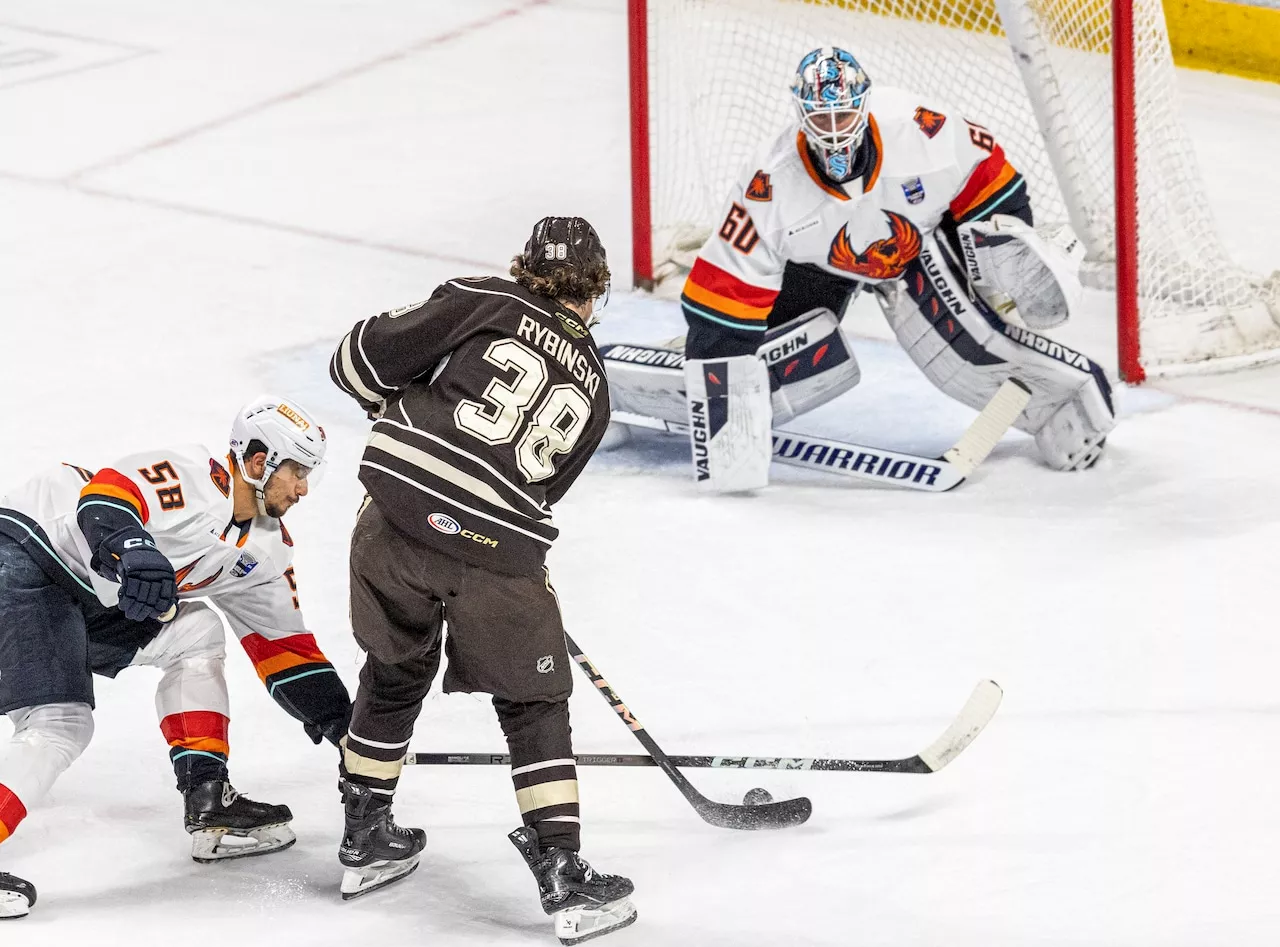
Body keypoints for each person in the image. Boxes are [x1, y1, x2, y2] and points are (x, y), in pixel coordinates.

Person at [607, 46, 1116, 491]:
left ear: (865, 105)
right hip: (811, 268)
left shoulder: (923, 130)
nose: (833, 132)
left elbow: (995, 185)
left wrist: (997, 268)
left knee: (971, 349)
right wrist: (722, 402)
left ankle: (1063, 400)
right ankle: (619, 379)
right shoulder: (769, 183)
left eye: (843, 116)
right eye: (820, 119)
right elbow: (723, 295)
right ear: (800, 113)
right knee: (788, 367)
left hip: (917, 247)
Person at [328, 216, 636, 944]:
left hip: (392, 522)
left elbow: (353, 361)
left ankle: (364, 833)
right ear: (596, 292)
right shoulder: (595, 392)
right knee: (533, 701)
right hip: (496, 550)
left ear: (524, 267)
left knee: (396, 667)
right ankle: (561, 867)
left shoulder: (484, 297)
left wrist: (401, 403)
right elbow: (539, 491)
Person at [0, 396, 352, 919]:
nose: (303, 489)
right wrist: (133, 549)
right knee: (58, 723)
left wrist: (345, 726)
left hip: (90, 598)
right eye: (298, 473)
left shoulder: (266, 552)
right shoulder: (189, 475)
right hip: (29, 552)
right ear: (259, 462)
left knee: (196, 631)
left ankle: (209, 799)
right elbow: (106, 496)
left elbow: (285, 647)